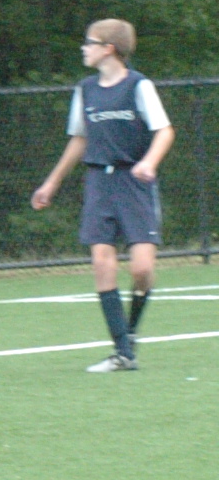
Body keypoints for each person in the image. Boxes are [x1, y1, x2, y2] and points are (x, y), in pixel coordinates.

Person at [30, 19, 173, 372]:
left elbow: (164, 131)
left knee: (142, 269)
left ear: (109, 48)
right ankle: (122, 351)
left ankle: (130, 333)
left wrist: (149, 163)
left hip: (134, 183)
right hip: (99, 183)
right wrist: (52, 182)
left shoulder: (138, 86)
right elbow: (79, 139)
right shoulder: (86, 89)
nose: (84, 48)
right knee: (102, 263)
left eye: (89, 42)